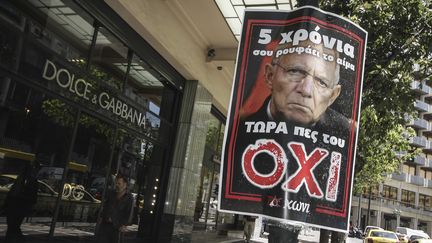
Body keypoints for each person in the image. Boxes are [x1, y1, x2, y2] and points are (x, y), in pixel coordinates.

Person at [243, 39, 352, 135]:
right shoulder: (237, 132)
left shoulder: (345, 134)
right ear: (270, 76)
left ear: (332, 96)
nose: (306, 90)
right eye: (295, 71)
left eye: (322, 82)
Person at [4, 162, 40, 243]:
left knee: (14, 226)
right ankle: (13, 239)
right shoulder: (19, 179)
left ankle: (14, 240)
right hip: (13, 204)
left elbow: (33, 197)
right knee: (12, 226)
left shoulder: (33, 182)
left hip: (21, 206)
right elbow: (12, 192)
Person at [97, 173, 134, 243]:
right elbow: (105, 206)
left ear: (125, 185)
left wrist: (124, 225)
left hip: (117, 227)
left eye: (119, 183)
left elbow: (129, 213)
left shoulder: (129, 197)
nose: (116, 185)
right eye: (116, 183)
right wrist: (101, 218)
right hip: (105, 224)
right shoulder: (112, 193)